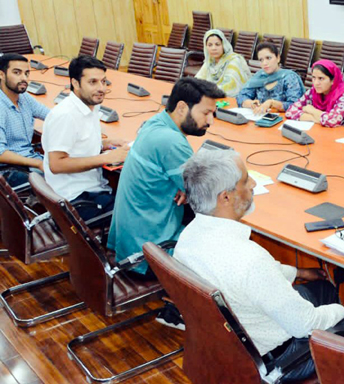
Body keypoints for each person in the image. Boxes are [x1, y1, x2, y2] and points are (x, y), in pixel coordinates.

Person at [174, 147, 344, 384]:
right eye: (246, 180)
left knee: (324, 289)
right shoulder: (249, 259)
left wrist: (299, 273)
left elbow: (253, 278)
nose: (253, 184)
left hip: (229, 343)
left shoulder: (188, 238)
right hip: (277, 360)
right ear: (226, 197)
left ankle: (330, 383)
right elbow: (304, 323)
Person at [108, 78, 224, 301]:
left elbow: (190, 182)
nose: (210, 121)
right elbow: (212, 199)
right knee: (227, 238)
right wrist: (192, 189)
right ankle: (178, 309)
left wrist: (187, 187)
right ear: (182, 107)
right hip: (149, 257)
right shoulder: (170, 141)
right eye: (206, 113)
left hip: (131, 243)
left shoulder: (155, 123)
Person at [41, 56, 129, 222]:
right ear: (75, 83)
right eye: (93, 82)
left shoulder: (90, 105)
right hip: (77, 200)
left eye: (104, 81)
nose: (101, 88)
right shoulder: (66, 115)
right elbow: (57, 164)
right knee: (142, 207)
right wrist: (105, 158)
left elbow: (76, 143)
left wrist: (105, 144)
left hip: (90, 189)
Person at [0, 53, 50, 188]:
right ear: (1, 75)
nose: (24, 78)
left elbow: (51, 116)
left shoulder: (24, 98)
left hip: (30, 160)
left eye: (26, 73)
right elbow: (0, 153)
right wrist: (38, 163)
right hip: (11, 169)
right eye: (17, 73)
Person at [285, 59, 344, 131]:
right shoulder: (313, 91)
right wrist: (314, 118)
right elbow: (290, 111)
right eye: (314, 78)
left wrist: (311, 110)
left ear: (333, 80)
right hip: (328, 132)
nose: (316, 83)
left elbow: (332, 120)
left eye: (321, 78)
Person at [236, 42, 304, 113]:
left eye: (268, 58)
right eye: (261, 60)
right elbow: (241, 96)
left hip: (283, 120)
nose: (264, 63)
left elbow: (295, 105)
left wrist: (272, 103)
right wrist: (251, 103)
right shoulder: (259, 76)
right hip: (260, 117)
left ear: (278, 58)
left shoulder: (289, 77)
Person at [195, 29, 252, 98]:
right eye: (210, 45)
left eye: (217, 44)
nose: (214, 48)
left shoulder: (233, 60)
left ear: (223, 45)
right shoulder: (210, 61)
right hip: (212, 96)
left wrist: (207, 91)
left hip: (234, 99)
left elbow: (229, 88)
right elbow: (197, 80)